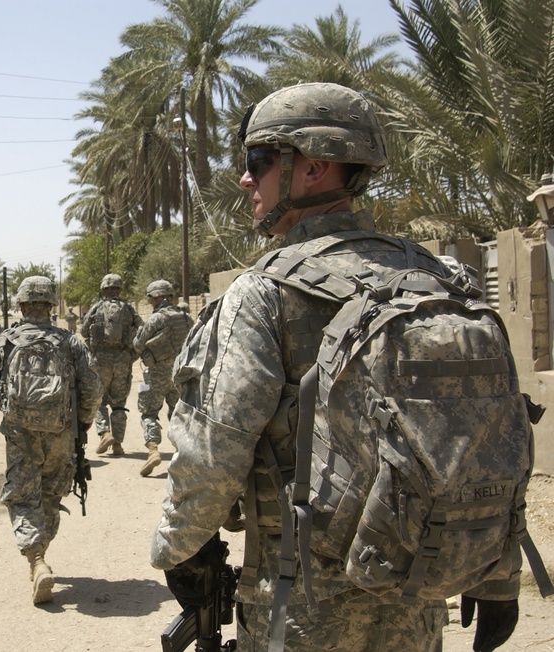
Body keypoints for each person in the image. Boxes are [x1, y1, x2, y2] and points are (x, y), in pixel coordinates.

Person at [148, 83, 514, 651]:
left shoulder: (264, 294)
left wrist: (179, 549)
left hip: (300, 609)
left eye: (258, 161)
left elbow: (213, 453)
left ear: (313, 167)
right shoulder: (442, 281)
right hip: (416, 602)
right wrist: (499, 576)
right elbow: (489, 440)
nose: (245, 180)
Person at [0, 276, 101, 605]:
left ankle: (36, 559)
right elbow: (92, 388)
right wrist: (84, 421)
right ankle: (40, 555)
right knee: (51, 495)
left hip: (20, 434)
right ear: (51, 305)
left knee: (23, 497)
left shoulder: (4, 341)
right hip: (61, 431)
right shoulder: (70, 342)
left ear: (23, 305)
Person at [132, 280, 191, 477]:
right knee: (179, 414)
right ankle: (183, 454)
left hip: (156, 374)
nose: (150, 302)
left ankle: (153, 450)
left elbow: (138, 344)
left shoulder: (156, 318)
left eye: (150, 298)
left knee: (149, 413)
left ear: (157, 297)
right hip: (180, 374)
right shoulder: (185, 317)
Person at [80, 273, 142, 456]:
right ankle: (118, 445)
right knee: (119, 404)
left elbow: (84, 330)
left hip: (100, 360)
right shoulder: (129, 309)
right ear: (119, 289)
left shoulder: (96, 308)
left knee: (99, 399)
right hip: (123, 360)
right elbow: (143, 330)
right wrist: (132, 354)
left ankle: (105, 433)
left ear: (104, 290)